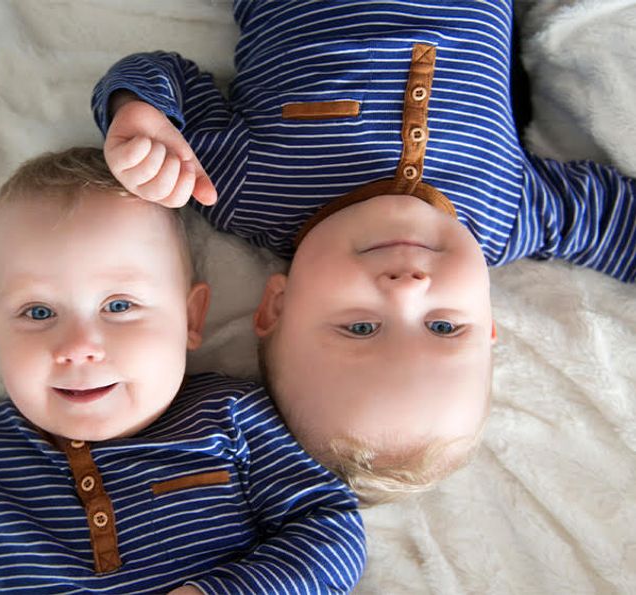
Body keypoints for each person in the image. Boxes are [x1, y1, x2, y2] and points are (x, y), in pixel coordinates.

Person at [92, 0, 636, 505]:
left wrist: (139, 118)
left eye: (360, 327)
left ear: (277, 306)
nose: (407, 290)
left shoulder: (242, 188)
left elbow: (163, 76)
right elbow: (620, 224)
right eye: (445, 327)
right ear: (488, 319)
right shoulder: (510, 213)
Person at [0, 148, 366, 594]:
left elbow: (331, 529)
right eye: (37, 313)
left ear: (191, 318)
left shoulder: (230, 418)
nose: (78, 346)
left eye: (119, 306)